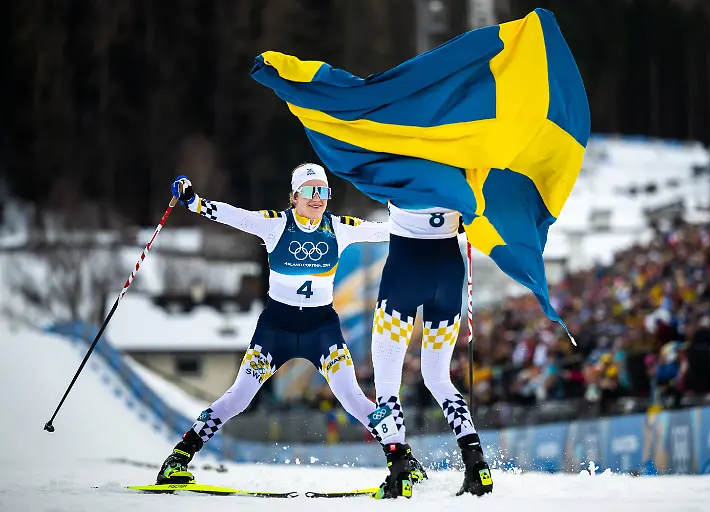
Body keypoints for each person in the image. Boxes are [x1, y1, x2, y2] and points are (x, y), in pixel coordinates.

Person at [156, 163, 423, 485]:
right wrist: (193, 201)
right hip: (276, 329)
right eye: (310, 191)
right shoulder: (274, 225)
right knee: (238, 397)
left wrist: (436, 226)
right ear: (294, 196)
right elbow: (234, 215)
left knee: (353, 398)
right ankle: (178, 458)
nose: (317, 198)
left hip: (321, 329)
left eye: (323, 191)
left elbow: (386, 230)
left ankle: (402, 460)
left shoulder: (339, 228)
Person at [368, 202, 493, 498]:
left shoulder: (402, 160)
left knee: (387, 382)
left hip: (405, 272)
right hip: (449, 274)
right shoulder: (458, 171)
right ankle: (475, 462)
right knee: (438, 378)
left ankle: (399, 470)